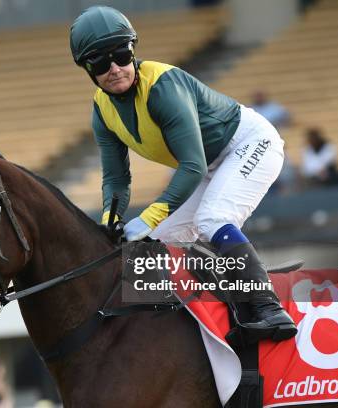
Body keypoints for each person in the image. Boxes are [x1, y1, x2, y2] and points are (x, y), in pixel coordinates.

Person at [70, 6, 296, 343]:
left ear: (133, 50)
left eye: (121, 54)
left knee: (212, 218)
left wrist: (146, 216)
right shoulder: (101, 110)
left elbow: (192, 167)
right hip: (210, 163)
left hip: (248, 144)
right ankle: (161, 324)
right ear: (88, 70)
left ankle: (268, 307)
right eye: (101, 63)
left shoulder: (162, 87)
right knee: (152, 245)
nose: (115, 68)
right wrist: (111, 222)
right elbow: (116, 179)